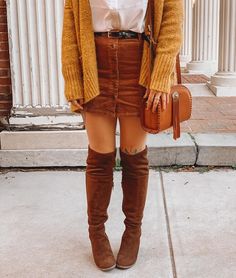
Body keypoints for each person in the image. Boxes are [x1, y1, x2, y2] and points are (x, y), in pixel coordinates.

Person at [61, 0, 183, 272]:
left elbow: (172, 21)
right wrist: (73, 77)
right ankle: (97, 233)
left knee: (134, 154)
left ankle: (132, 232)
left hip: (139, 65)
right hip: (96, 64)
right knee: (100, 157)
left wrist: (161, 74)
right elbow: (71, 23)